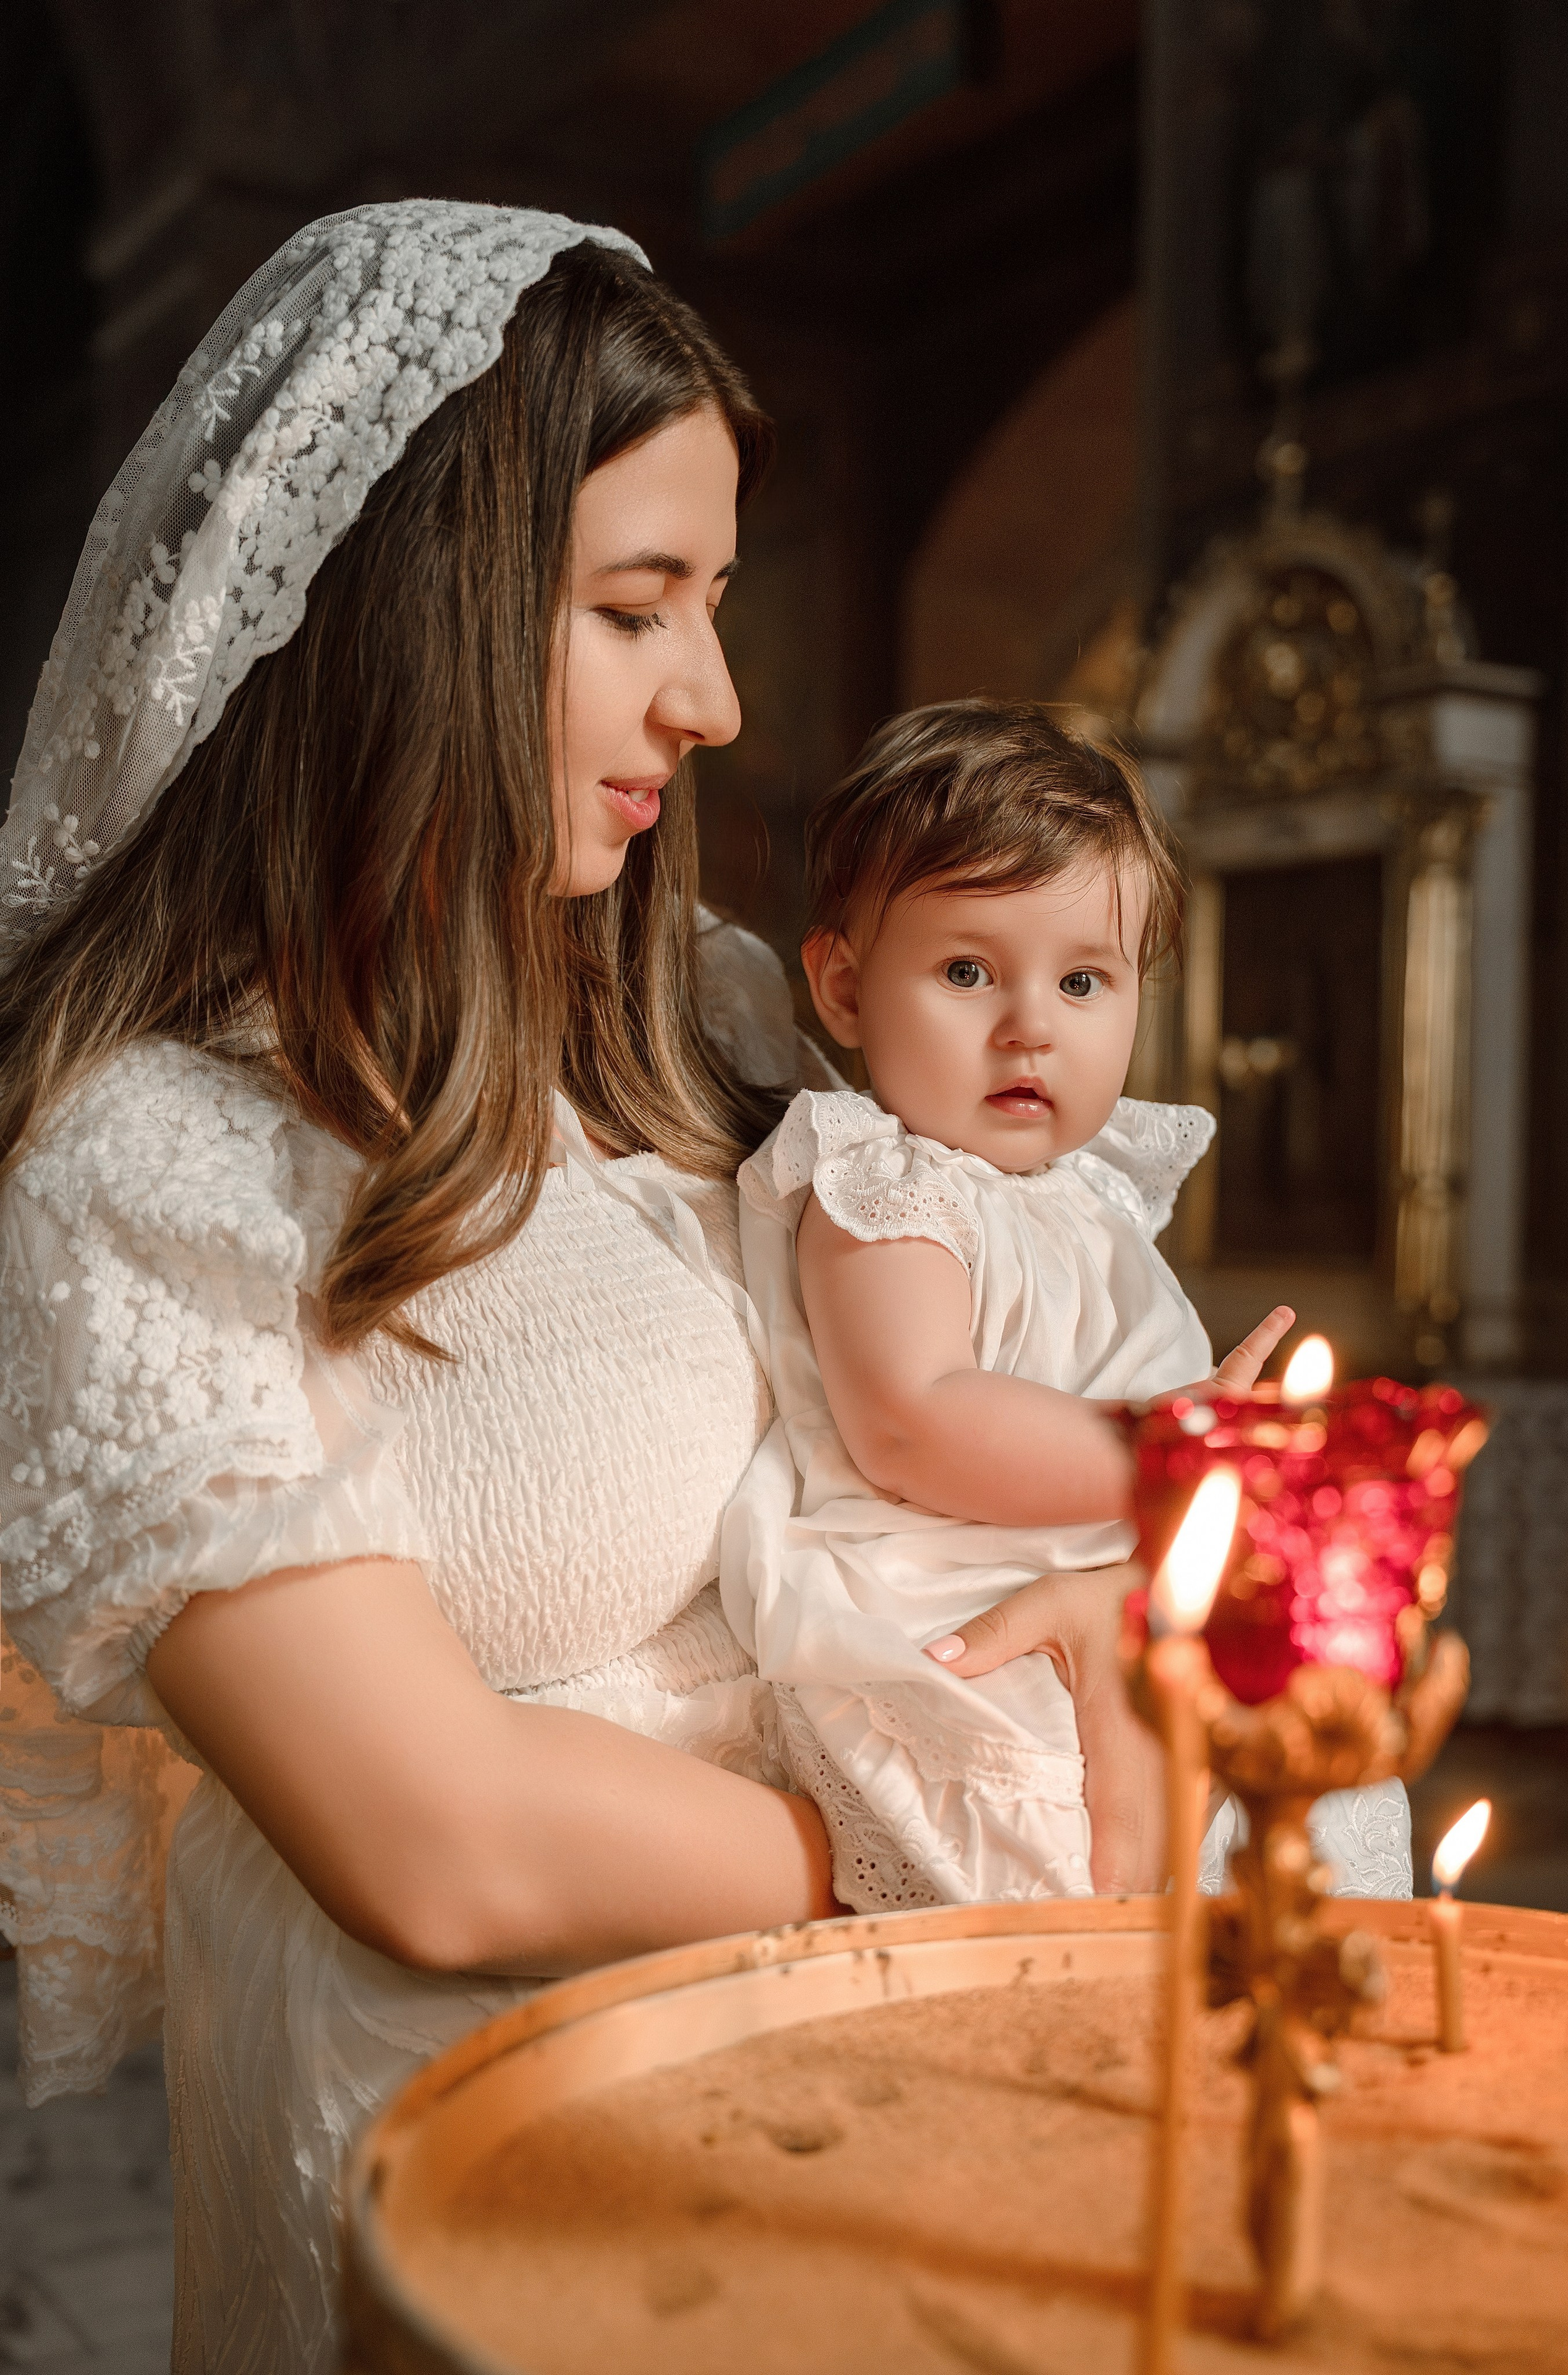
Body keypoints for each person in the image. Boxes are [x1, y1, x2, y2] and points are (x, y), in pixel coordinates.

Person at [0, 200, 1181, 2375]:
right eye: (638, 607)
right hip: (503, 2145)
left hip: (877, 2093)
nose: (715, 699)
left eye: (713, 605)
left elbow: (953, 1393)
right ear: (406, 615)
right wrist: (937, 1852)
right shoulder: (149, 1162)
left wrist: (1120, 1593)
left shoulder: (714, 1022)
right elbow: (434, 1837)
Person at [719, 701, 1295, 1907]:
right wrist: (1164, 1451)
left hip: (1107, 1584)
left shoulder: (1079, 1196)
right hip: (955, 1608)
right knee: (1080, 1891)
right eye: (967, 970)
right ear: (841, 987)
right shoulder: (887, 1182)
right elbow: (913, 1417)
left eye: (1082, 979)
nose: (1029, 1023)